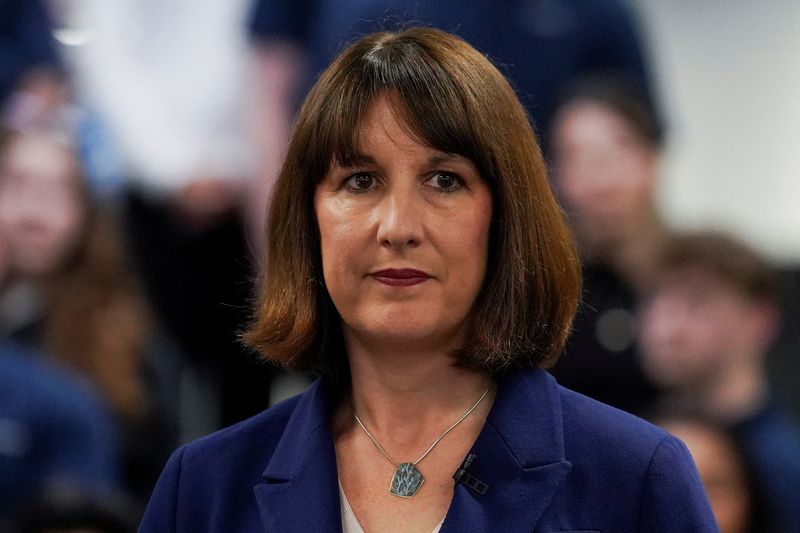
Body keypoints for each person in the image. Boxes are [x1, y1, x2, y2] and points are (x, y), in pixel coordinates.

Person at [140, 28, 716, 532]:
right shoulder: (203, 487)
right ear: (308, 221)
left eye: (444, 181)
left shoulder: (637, 478)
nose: (398, 227)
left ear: (505, 219)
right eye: (360, 181)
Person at [639, 231, 800, 531]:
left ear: (759, 319)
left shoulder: (784, 464)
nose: (667, 329)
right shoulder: (632, 433)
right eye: (655, 300)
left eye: (698, 303)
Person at [548, 75, 667, 414]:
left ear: (653, 160)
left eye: (620, 149)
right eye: (577, 157)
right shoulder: (543, 299)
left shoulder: (697, 282)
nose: (601, 181)